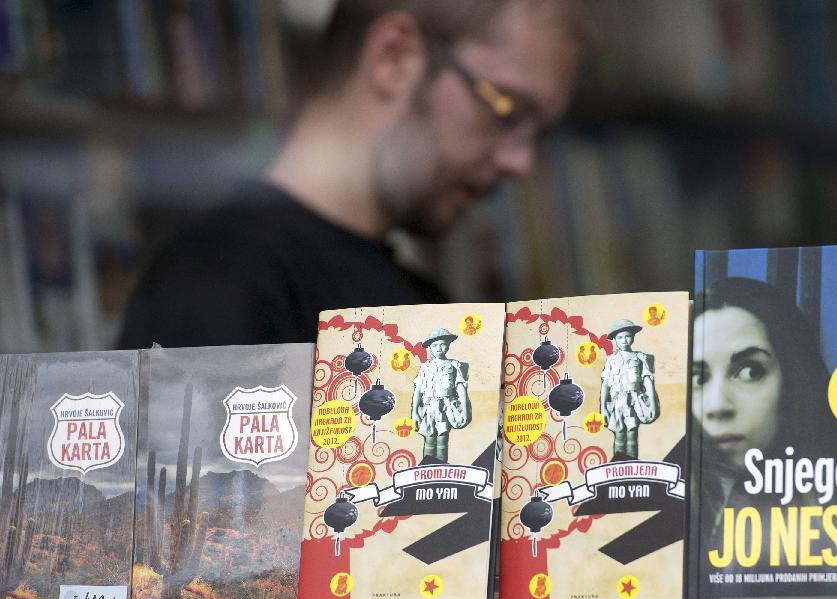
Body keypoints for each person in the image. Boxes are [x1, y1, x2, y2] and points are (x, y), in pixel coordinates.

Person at [117, 0, 582, 348]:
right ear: (393, 57)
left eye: (537, 133)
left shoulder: (426, 307)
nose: (520, 162)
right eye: (506, 109)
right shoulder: (211, 283)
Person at [691, 277, 837, 595]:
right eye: (698, 377)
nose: (717, 405)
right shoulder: (667, 514)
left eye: (750, 371)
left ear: (793, 380)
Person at [600, 318, 659, 458]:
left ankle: (632, 466)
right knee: (619, 435)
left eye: (627, 336)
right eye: (620, 337)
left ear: (633, 337)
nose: (624, 340)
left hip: (634, 401)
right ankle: (619, 468)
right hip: (617, 402)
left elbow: (648, 382)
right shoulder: (611, 360)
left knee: (632, 435)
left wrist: (652, 404)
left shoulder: (640, 357)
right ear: (614, 339)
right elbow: (606, 384)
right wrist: (603, 407)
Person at [411, 327, 471, 462]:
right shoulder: (425, 367)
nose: (439, 348)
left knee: (443, 438)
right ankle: (427, 471)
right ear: (429, 349)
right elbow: (418, 390)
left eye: (443, 344)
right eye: (435, 345)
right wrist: (414, 412)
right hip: (428, 408)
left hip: (446, 408)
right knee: (429, 438)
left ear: (448, 345)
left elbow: (461, 388)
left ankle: (441, 470)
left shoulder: (455, 365)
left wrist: (465, 411)